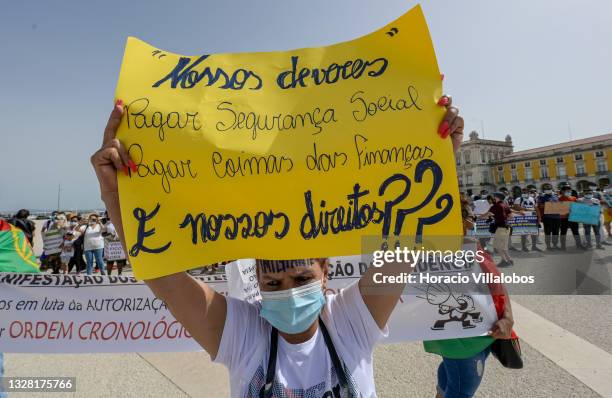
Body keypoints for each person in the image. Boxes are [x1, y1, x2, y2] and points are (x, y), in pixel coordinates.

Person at [91, 96, 465, 396]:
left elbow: (410, 235)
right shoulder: (242, 335)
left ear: (325, 272)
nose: (288, 292)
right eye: (273, 284)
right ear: (257, 280)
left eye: (301, 277)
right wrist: (116, 196)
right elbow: (165, 279)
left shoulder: (352, 322)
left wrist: (436, 154)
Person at [425, 199, 514, 398]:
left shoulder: (471, 246)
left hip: (483, 334)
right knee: (460, 390)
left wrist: (508, 316)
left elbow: (497, 283)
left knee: (448, 383)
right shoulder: (423, 251)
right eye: (468, 217)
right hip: (460, 341)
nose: (471, 223)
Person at [481, 192, 514, 267]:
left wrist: (477, 218)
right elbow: (511, 216)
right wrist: (501, 218)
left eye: (494, 197)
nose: (493, 198)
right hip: (507, 228)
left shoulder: (495, 206)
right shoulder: (505, 205)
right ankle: (509, 260)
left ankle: (504, 261)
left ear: (497, 198)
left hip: (501, 228)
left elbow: (486, 215)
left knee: (497, 246)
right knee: (503, 246)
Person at [558, 183, 584, 250]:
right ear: (563, 191)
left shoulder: (574, 198)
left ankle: (579, 244)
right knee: (563, 232)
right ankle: (563, 246)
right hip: (564, 218)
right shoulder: (559, 199)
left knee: (575, 231)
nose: (569, 192)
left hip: (573, 217)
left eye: (570, 190)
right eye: (567, 191)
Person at [513, 187, 541, 252]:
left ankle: (534, 246)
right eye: (523, 192)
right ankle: (524, 247)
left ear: (528, 192)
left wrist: (539, 217)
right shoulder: (518, 199)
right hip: (524, 218)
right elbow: (515, 207)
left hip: (532, 218)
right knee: (524, 233)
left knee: (534, 233)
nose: (524, 193)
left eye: (526, 192)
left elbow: (536, 208)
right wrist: (526, 210)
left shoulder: (532, 199)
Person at [537, 183, 560, 251]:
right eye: (546, 189)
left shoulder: (556, 196)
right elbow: (540, 206)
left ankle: (555, 245)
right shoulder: (542, 197)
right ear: (544, 190)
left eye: (549, 189)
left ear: (551, 189)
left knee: (556, 232)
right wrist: (550, 205)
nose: (548, 190)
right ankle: (548, 246)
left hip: (556, 217)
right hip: (547, 217)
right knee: (548, 232)